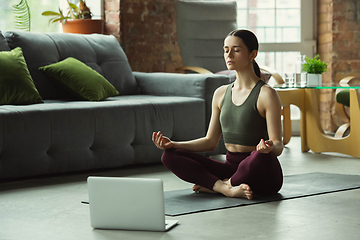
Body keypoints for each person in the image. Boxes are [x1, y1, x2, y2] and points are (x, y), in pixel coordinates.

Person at [152, 29, 283, 200]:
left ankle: (217, 186)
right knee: (170, 155)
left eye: (236, 50)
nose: (229, 54)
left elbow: (279, 146)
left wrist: (270, 147)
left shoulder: (267, 94)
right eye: (225, 49)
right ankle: (224, 187)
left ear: (253, 54)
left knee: (260, 157)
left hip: (261, 172)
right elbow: (210, 142)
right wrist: (173, 144)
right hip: (230, 168)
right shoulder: (220, 93)